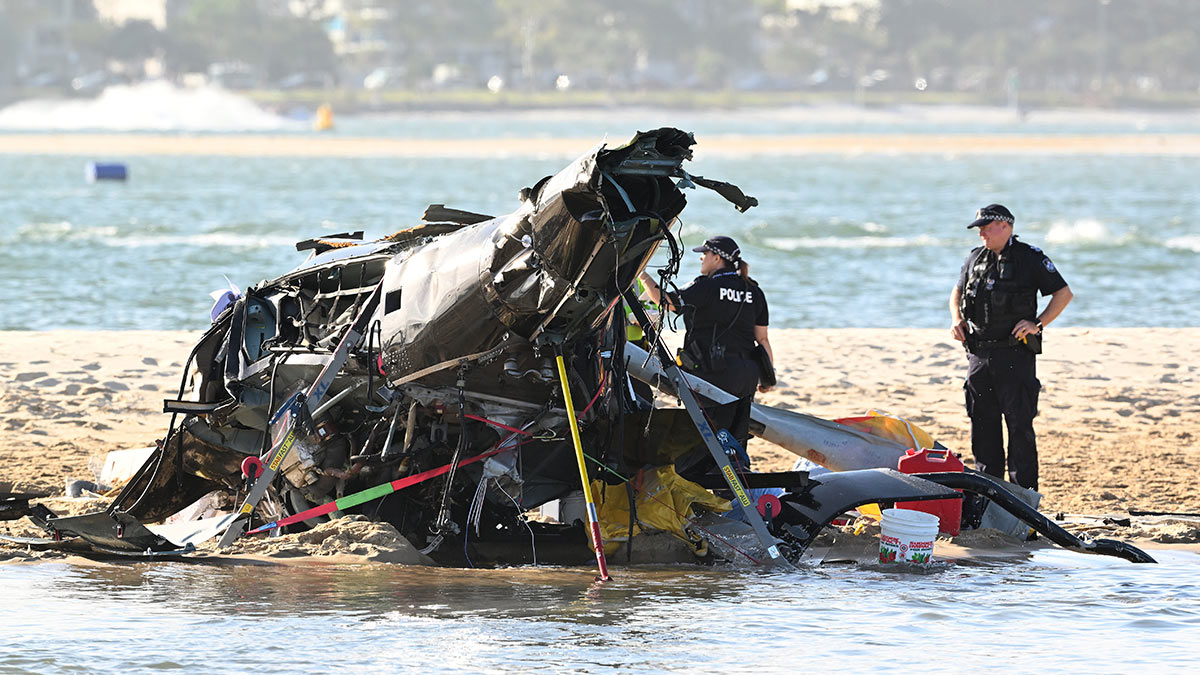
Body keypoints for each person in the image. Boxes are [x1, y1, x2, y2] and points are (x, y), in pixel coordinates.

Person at [949, 204, 1073, 491]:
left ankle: (1023, 499)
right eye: (979, 227)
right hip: (978, 354)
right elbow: (956, 291)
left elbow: (1063, 294)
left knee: (1019, 429)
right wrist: (956, 319)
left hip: (1014, 355)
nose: (981, 232)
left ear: (1006, 226)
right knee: (983, 428)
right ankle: (988, 495)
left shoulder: (1030, 258)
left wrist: (1038, 324)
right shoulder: (974, 258)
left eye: (986, 227)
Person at [638, 235, 773, 478]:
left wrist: (641, 274)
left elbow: (665, 301)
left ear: (717, 258)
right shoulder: (754, 290)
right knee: (736, 432)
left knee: (705, 432)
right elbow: (762, 339)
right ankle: (737, 483)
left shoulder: (708, 286)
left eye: (705, 254)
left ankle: (704, 482)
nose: (701, 258)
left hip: (715, 371)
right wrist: (767, 379)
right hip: (747, 373)